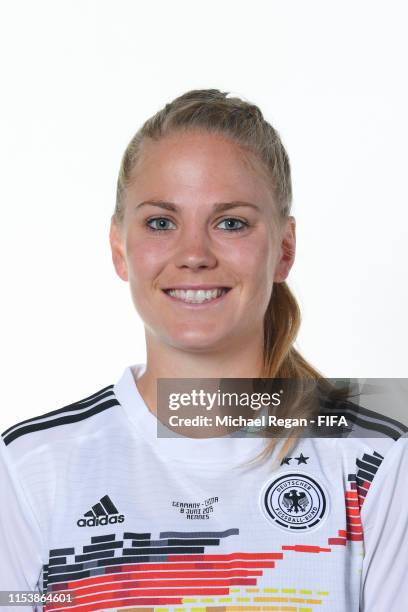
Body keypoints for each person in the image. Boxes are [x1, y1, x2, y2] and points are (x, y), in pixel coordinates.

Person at [0, 89, 407, 612]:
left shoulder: (376, 458)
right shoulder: (31, 468)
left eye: (231, 223)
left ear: (284, 248)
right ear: (119, 248)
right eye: (161, 223)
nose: (194, 254)